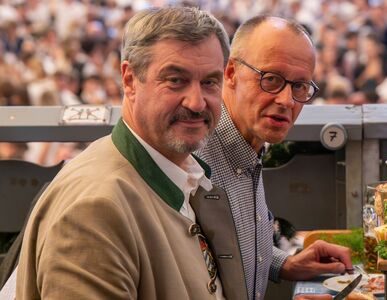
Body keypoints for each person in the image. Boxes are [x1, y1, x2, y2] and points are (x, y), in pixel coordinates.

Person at [13, 6, 247, 299]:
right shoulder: (94, 210)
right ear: (129, 80)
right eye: (176, 80)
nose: (197, 102)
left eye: (210, 82)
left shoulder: (176, 173)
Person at [194, 16, 352, 300]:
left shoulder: (248, 144)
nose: (287, 101)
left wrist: (285, 263)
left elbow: (225, 254)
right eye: (271, 80)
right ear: (230, 73)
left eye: (300, 86)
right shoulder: (194, 160)